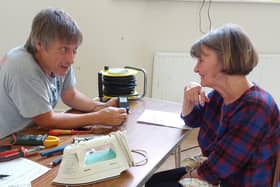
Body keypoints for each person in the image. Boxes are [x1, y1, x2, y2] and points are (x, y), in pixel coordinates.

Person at [146, 24, 280, 187]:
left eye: (201, 60)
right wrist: (188, 100)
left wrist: (187, 176)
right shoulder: (221, 95)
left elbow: (218, 169)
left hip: (236, 182)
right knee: (151, 181)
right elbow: (193, 119)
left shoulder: (256, 107)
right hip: (218, 173)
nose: (196, 68)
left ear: (225, 60)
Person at [0, 8, 128, 139]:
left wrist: (101, 107)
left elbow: (70, 95)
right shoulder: (22, 67)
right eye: (64, 49)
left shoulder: (59, 62)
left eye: (74, 50)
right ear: (39, 44)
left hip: (30, 134)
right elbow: (47, 120)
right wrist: (98, 118)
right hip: (6, 143)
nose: (71, 59)